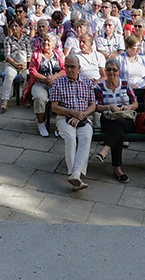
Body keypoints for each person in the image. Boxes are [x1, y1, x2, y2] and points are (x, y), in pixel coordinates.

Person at [49, 54, 96, 190]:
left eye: (72, 67)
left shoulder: (87, 83)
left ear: (79, 68)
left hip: (83, 118)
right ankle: (73, 173)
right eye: (67, 66)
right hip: (64, 117)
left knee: (86, 138)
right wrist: (72, 112)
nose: (69, 70)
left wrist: (80, 115)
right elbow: (54, 107)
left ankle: (76, 175)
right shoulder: (58, 83)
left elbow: (92, 105)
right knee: (70, 138)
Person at [92, 58, 138, 183]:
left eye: (114, 70)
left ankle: (105, 151)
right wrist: (109, 107)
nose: (111, 72)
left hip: (126, 118)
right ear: (105, 71)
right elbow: (97, 107)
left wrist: (128, 106)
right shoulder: (100, 87)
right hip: (108, 118)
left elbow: (135, 103)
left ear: (118, 72)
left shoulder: (125, 84)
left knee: (119, 125)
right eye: (109, 69)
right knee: (117, 131)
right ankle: (117, 169)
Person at [27, 34, 64, 137]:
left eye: (49, 41)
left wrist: (53, 78)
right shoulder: (36, 55)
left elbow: (64, 70)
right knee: (39, 98)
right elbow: (32, 71)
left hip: (57, 84)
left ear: (54, 44)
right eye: (44, 40)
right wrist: (46, 79)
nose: (46, 43)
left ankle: (59, 124)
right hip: (40, 83)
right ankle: (41, 123)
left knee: (63, 97)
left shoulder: (59, 54)